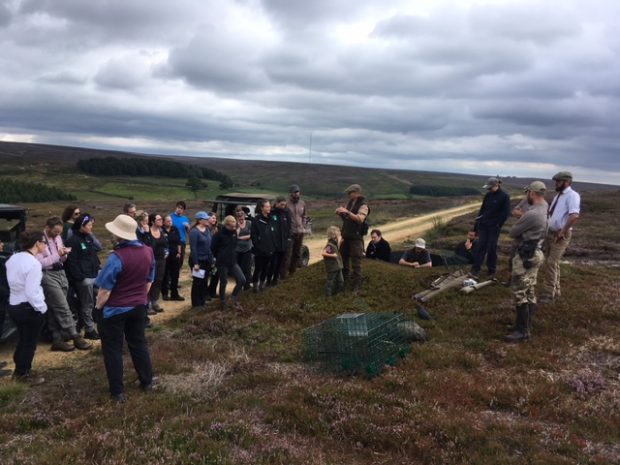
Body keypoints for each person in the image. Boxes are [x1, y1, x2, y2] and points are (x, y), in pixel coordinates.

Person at [94, 214, 155, 403]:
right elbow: (149, 281)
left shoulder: (116, 257)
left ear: (119, 235)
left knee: (113, 349)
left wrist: (97, 309)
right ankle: (147, 381)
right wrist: (141, 298)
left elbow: (104, 290)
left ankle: (118, 392)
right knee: (138, 343)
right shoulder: (148, 251)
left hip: (115, 310)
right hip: (138, 306)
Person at [36, 217, 91, 352]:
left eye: (59, 232)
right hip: (47, 274)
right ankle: (75, 336)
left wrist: (64, 254)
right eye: (55, 231)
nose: (57, 234)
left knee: (55, 307)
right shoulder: (39, 240)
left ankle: (57, 339)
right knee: (62, 306)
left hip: (60, 272)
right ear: (47, 227)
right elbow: (40, 262)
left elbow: (61, 257)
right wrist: (57, 255)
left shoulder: (58, 238)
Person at [504, 181, 548, 343]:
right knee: (529, 290)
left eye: (527, 192)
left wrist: (522, 217)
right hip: (536, 252)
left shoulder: (532, 214)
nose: (526, 195)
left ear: (532, 193)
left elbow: (513, 232)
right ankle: (526, 326)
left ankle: (522, 332)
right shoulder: (545, 207)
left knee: (520, 292)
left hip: (526, 256)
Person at [5, 232, 49, 385]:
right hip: (28, 307)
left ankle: (20, 370)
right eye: (44, 242)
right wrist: (41, 308)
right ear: (37, 243)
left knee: (23, 339)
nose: (46, 245)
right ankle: (23, 374)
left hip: (14, 304)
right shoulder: (34, 264)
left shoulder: (13, 258)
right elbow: (31, 292)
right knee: (29, 342)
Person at [539, 171, 581, 304]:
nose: (556, 183)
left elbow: (574, 215)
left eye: (558, 181)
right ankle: (556, 291)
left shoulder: (572, 196)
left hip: (560, 234)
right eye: (556, 181)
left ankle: (548, 295)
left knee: (551, 262)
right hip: (550, 233)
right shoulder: (558, 196)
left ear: (567, 182)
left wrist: (563, 231)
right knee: (552, 262)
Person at [65, 213, 100, 340]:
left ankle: (95, 323)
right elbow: (72, 262)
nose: (91, 228)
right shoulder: (72, 241)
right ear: (81, 226)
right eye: (89, 225)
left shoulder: (88, 238)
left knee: (97, 299)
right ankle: (89, 330)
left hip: (93, 274)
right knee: (87, 303)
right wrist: (81, 277)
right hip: (84, 278)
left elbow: (94, 255)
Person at [470, 177, 511, 280]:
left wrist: (498, 225)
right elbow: (482, 211)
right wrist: (476, 228)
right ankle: (475, 270)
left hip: (494, 228)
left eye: (490, 187)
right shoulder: (488, 195)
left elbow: (505, 214)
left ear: (496, 185)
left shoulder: (505, 197)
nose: (488, 189)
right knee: (480, 247)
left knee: (491, 248)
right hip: (483, 226)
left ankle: (491, 271)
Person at [336, 184, 369, 291]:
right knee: (343, 258)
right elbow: (347, 219)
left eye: (351, 192)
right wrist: (341, 213)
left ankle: (357, 284)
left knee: (356, 262)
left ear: (357, 193)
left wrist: (347, 212)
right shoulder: (350, 203)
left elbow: (360, 219)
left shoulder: (363, 206)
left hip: (356, 238)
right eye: (349, 193)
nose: (349, 194)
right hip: (346, 236)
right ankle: (344, 281)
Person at [211, 215, 246, 308]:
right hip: (222, 262)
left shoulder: (234, 233)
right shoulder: (218, 235)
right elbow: (213, 248)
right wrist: (218, 256)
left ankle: (233, 297)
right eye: (231, 226)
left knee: (242, 279)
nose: (233, 228)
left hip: (232, 261)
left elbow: (234, 245)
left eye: (234, 226)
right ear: (226, 225)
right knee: (224, 282)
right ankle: (222, 301)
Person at [189, 211, 213, 308]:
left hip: (207, 259)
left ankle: (202, 301)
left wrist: (212, 258)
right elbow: (193, 248)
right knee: (197, 282)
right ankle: (196, 303)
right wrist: (196, 263)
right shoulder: (194, 232)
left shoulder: (207, 230)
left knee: (204, 281)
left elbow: (209, 246)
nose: (208, 220)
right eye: (206, 219)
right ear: (200, 220)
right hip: (198, 260)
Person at [251, 199, 275, 292]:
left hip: (269, 248)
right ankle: (255, 285)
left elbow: (274, 233)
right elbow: (253, 235)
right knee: (258, 268)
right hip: (259, 250)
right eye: (267, 206)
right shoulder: (256, 220)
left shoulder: (271, 218)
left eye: (269, 206)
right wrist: (258, 246)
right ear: (262, 208)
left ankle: (262, 284)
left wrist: (273, 246)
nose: (269, 208)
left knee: (266, 267)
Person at [146, 213, 169, 314]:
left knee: (159, 280)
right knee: (149, 281)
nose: (161, 221)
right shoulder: (148, 233)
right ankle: (147, 304)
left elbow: (165, 244)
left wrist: (167, 252)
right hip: (151, 261)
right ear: (152, 221)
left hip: (161, 260)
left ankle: (154, 301)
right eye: (159, 219)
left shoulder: (162, 231)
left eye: (161, 219)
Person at [267, 196, 292, 287]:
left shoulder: (286, 213)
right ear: (276, 203)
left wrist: (288, 239)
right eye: (281, 204)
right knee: (273, 263)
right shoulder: (271, 213)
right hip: (274, 244)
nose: (283, 206)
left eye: (284, 205)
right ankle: (268, 280)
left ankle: (275, 280)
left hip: (284, 243)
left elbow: (289, 227)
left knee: (280, 263)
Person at [285, 184, 307, 277]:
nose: (297, 193)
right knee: (288, 254)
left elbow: (304, 216)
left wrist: (303, 226)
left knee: (297, 253)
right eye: (295, 192)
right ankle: (284, 274)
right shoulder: (286, 204)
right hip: (290, 232)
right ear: (291, 193)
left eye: (298, 191)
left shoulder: (302, 203)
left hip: (300, 232)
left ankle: (292, 272)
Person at [161, 215, 184, 301]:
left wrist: (179, 252)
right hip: (165, 256)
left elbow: (179, 242)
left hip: (175, 255)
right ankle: (165, 293)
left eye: (171, 221)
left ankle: (174, 293)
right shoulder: (161, 230)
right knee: (165, 275)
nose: (170, 222)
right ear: (164, 222)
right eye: (168, 221)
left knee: (175, 275)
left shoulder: (175, 229)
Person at [322, 226, 344, 297]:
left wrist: (340, 242)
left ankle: (338, 294)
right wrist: (333, 255)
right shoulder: (330, 245)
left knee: (341, 281)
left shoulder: (334, 243)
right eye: (339, 234)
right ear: (334, 235)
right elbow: (323, 253)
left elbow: (337, 247)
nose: (340, 235)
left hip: (338, 267)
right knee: (330, 282)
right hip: (332, 268)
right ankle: (328, 296)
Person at [235, 207, 253, 291]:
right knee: (238, 268)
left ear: (244, 214)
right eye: (239, 215)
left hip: (247, 249)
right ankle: (239, 284)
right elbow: (235, 236)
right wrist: (238, 225)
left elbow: (251, 235)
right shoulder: (235, 224)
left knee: (247, 268)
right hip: (237, 250)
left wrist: (240, 237)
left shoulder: (249, 223)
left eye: (242, 214)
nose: (241, 216)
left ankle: (247, 285)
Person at [170, 201, 191, 270]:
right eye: (178, 207)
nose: (179, 209)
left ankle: (176, 275)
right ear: (175, 208)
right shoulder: (170, 217)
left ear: (183, 210)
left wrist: (188, 227)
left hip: (182, 241)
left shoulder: (185, 219)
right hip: (172, 241)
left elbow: (188, 232)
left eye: (181, 208)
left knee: (180, 260)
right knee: (172, 260)